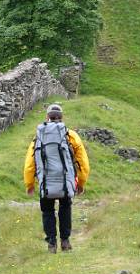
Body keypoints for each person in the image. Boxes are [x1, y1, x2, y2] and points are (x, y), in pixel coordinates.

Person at [24, 103, 90, 253]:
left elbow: (30, 163)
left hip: (46, 183)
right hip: (65, 183)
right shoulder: (70, 135)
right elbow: (82, 162)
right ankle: (65, 241)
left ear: (47, 117)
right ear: (61, 118)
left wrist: (30, 184)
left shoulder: (38, 137)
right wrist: (81, 182)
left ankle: (52, 243)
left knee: (47, 212)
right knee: (65, 208)